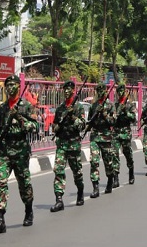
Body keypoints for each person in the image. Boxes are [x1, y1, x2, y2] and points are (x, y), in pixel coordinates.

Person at [0, 75, 38, 236]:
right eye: (7, 85)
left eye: (12, 84)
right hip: (5, 152)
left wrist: (19, 119)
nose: (9, 88)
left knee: (24, 184)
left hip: (21, 152)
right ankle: (0, 220)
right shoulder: (2, 108)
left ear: (18, 86)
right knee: (0, 182)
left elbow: (35, 127)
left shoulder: (26, 106)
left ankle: (28, 210)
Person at [50, 80, 86, 213]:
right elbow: (54, 126)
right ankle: (59, 200)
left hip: (73, 144)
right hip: (61, 144)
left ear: (72, 91)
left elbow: (82, 125)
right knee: (58, 170)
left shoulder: (78, 107)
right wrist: (56, 127)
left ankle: (80, 191)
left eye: (69, 89)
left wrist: (72, 117)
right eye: (64, 89)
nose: (66, 91)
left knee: (77, 172)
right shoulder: (60, 109)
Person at [88, 82, 116, 195]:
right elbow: (89, 121)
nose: (100, 93)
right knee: (94, 161)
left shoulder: (110, 105)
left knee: (108, 162)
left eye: (102, 91)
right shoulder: (93, 106)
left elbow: (113, 121)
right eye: (98, 91)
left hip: (106, 137)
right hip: (95, 137)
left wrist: (104, 113)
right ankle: (95, 187)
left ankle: (110, 180)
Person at [113, 83, 137, 185]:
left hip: (126, 133)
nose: (120, 93)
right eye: (119, 91)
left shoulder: (129, 105)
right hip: (116, 133)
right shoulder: (114, 105)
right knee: (114, 154)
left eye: (122, 91)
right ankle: (115, 178)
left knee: (128, 154)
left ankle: (131, 172)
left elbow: (134, 119)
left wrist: (125, 112)